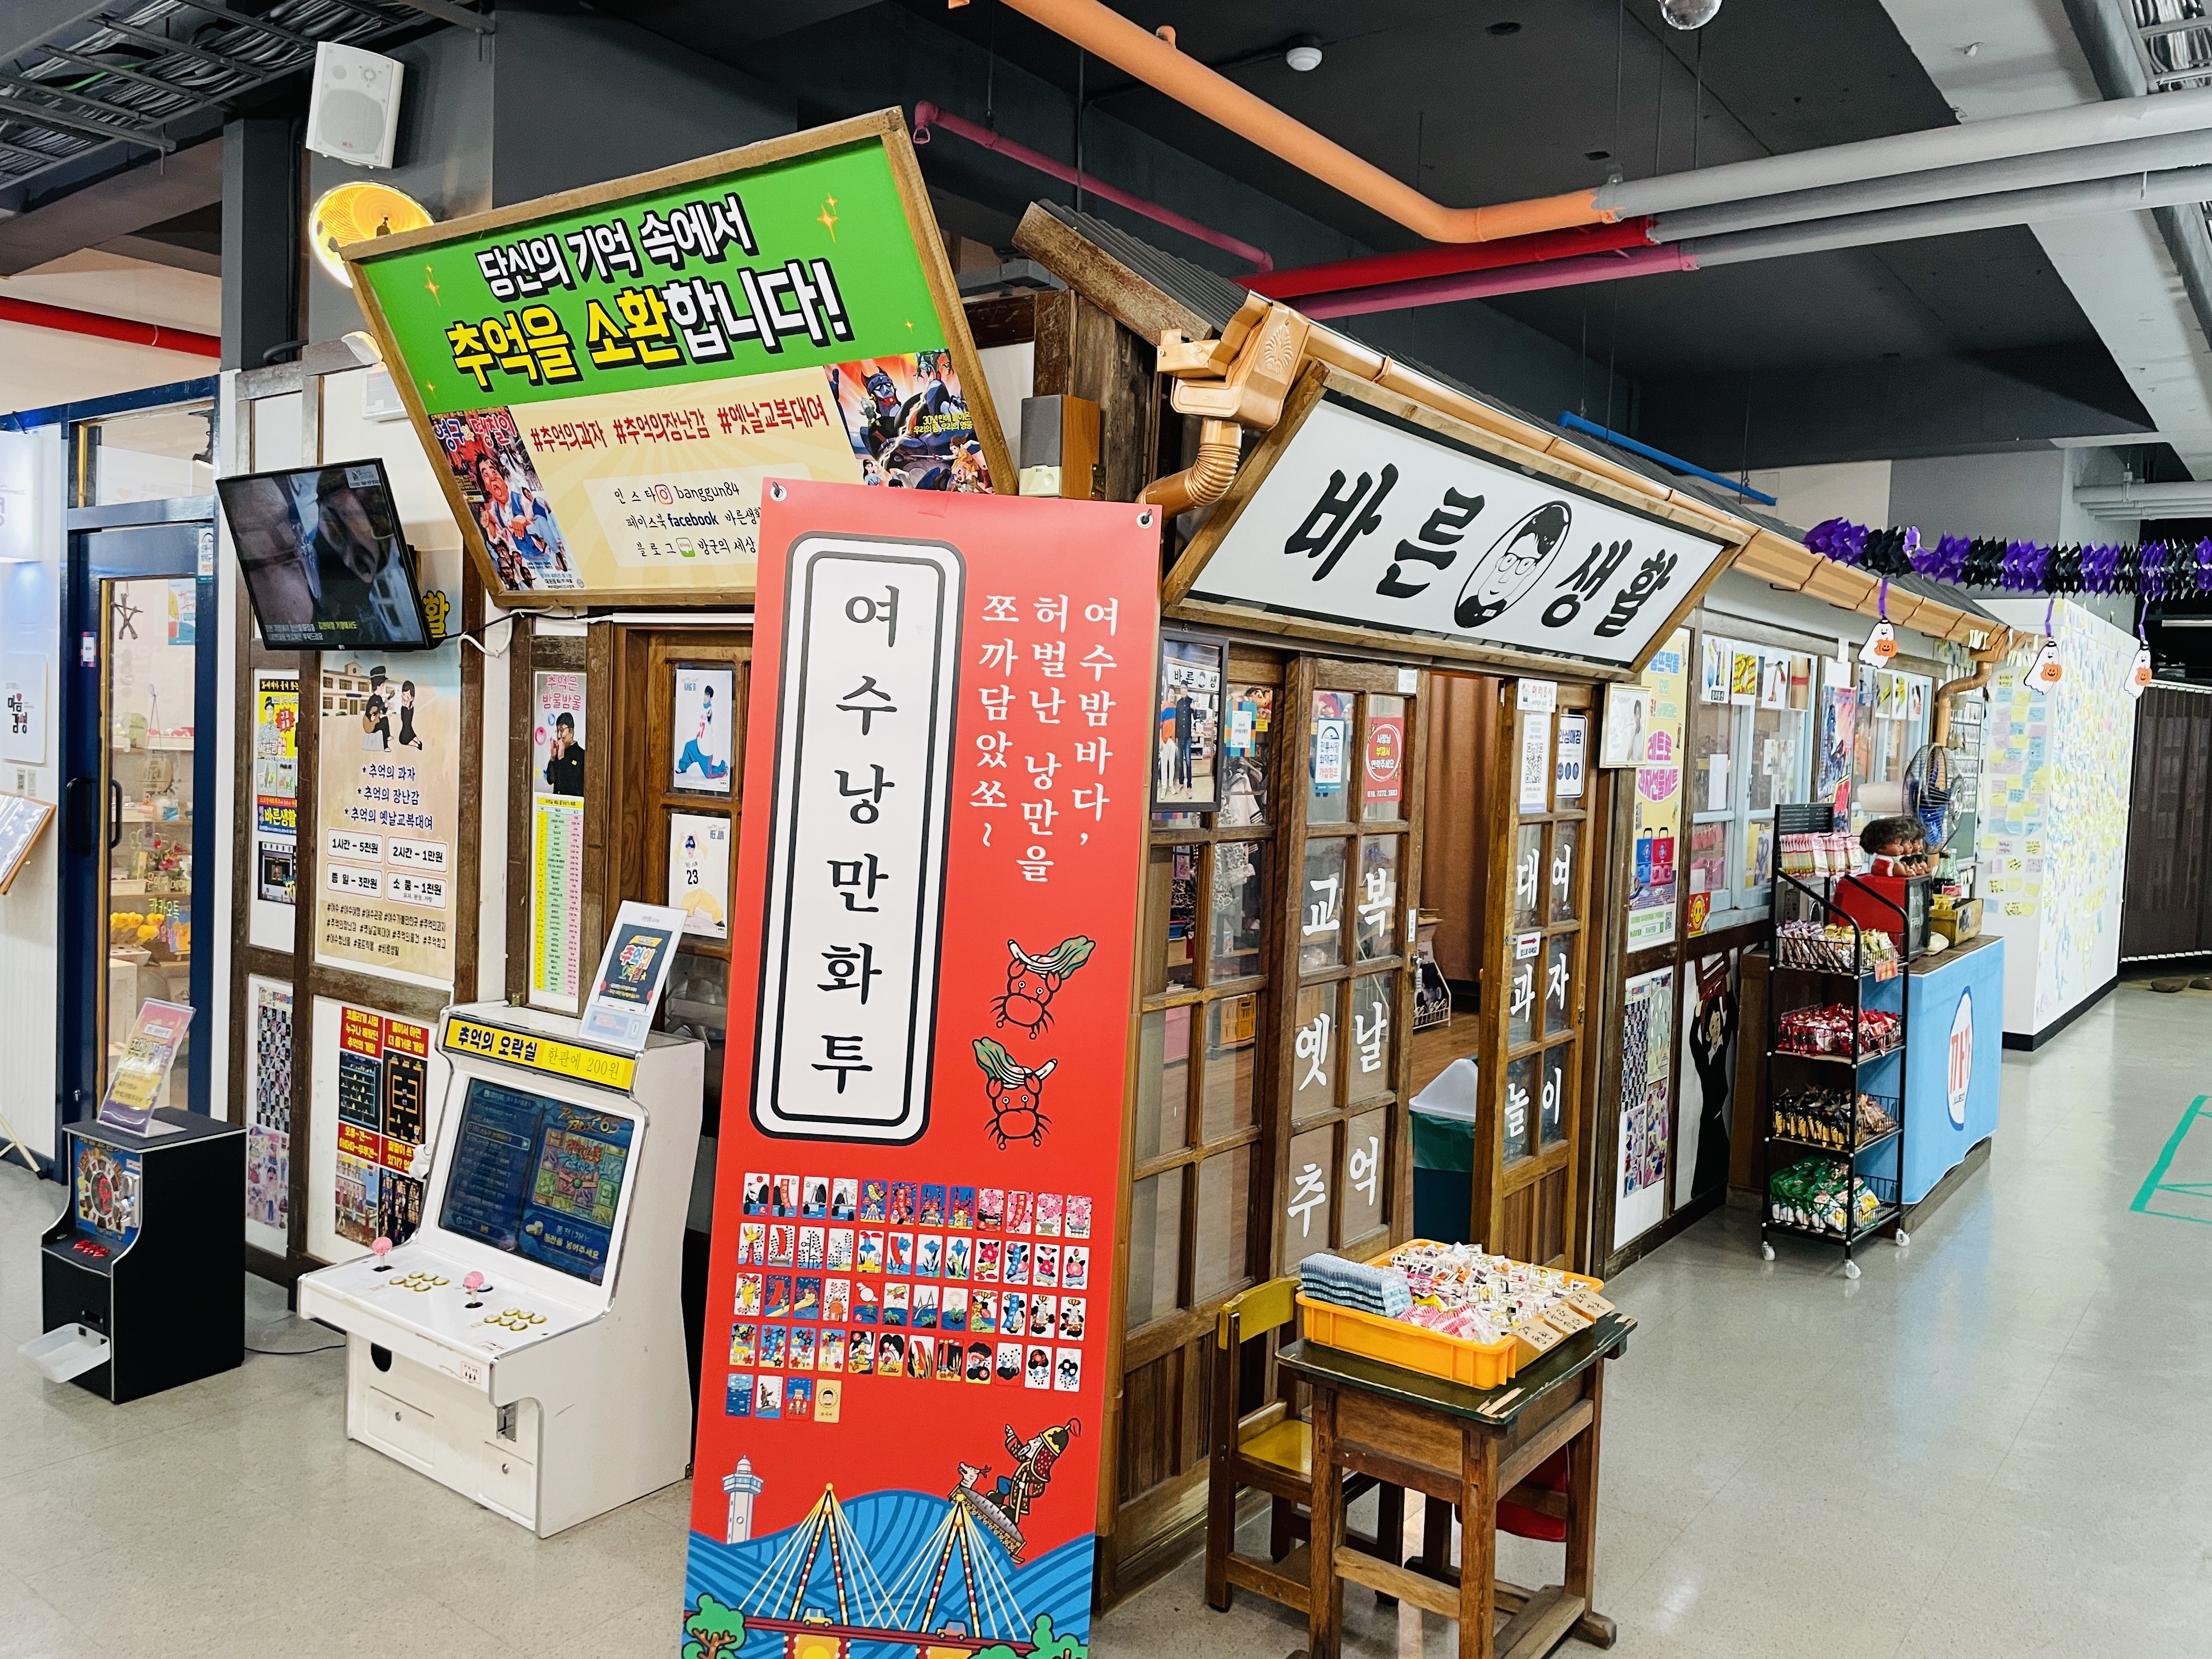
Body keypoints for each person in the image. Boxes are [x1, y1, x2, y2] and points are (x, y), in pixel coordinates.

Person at [675, 682, 728, 780]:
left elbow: (709, 716)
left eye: (708, 696)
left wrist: (709, 714)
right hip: (698, 743)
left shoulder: (710, 710)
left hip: (705, 750)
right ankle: (682, 767)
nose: (705, 697)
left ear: (711, 698)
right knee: (688, 746)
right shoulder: (703, 708)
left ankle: (723, 768)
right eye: (705, 694)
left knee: (709, 775)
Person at [1860, 813, 1933, 877]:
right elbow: (1903, 873)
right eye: (1897, 844)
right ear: (1880, 847)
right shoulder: (1884, 863)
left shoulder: (1892, 861)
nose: (1901, 848)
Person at [543, 709, 584, 795]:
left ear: (571, 732)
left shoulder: (582, 754)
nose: (558, 736)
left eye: (562, 730)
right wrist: (553, 757)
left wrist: (562, 758)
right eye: (557, 731)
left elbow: (574, 785)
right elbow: (551, 780)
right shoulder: (558, 753)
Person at [396, 680, 425, 752]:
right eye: (404, 694)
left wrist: (407, 704)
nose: (405, 697)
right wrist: (405, 704)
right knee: (409, 736)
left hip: (407, 730)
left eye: (408, 695)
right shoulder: (404, 707)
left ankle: (417, 743)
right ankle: (418, 743)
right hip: (407, 729)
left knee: (404, 739)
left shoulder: (409, 708)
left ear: (412, 698)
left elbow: (407, 716)